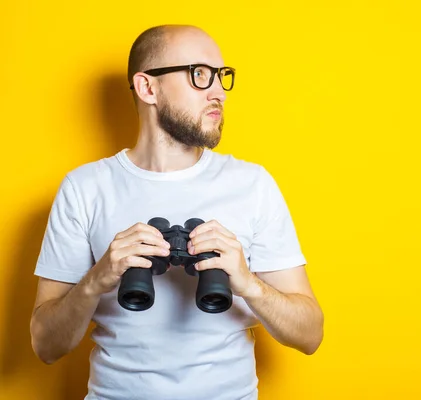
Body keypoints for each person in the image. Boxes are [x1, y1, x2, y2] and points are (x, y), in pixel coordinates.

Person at [29, 24, 324, 400]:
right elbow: (45, 346)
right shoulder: (85, 188)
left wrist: (248, 282)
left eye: (222, 77)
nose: (219, 92)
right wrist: (98, 278)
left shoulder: (252, 183)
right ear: (147, 87)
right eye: (200, 75)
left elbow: (310, 335)